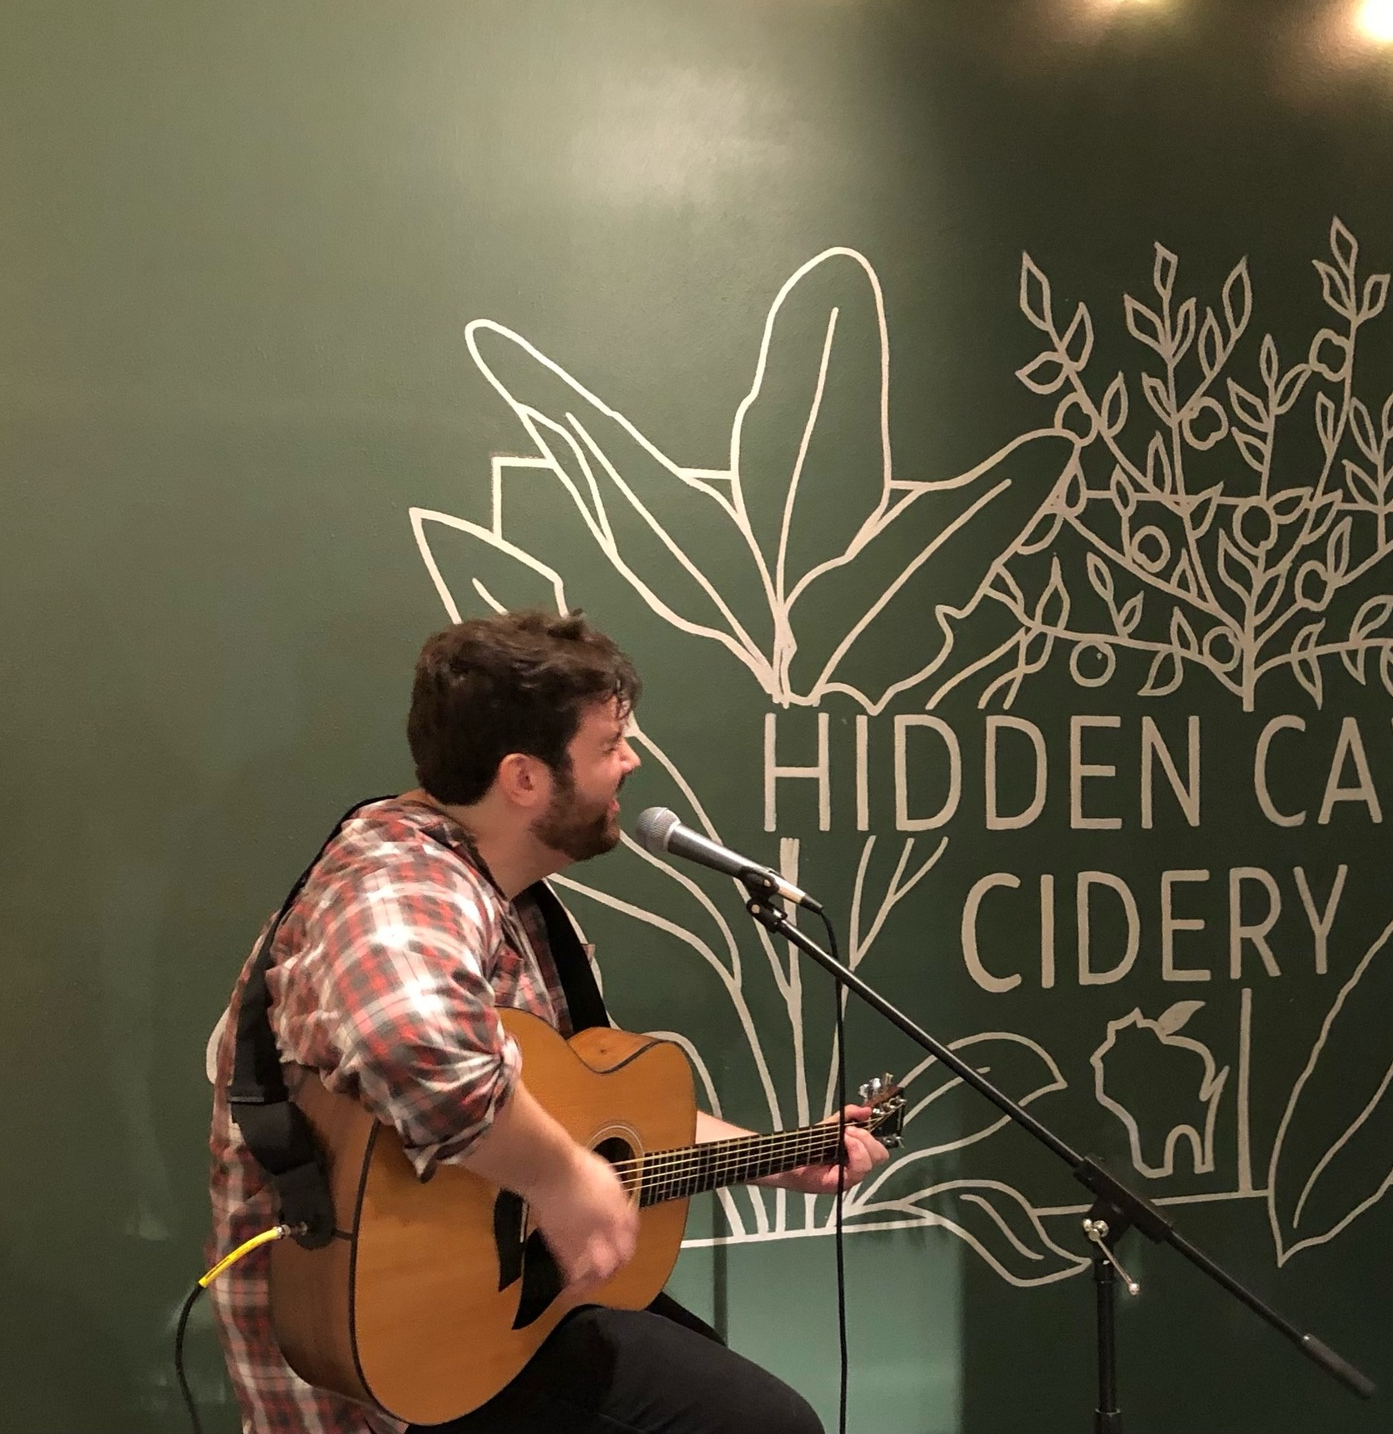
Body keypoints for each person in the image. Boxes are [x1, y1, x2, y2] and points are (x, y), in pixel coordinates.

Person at [206, 609, 889, 1434]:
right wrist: (562, 1181)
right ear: (525, 777)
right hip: (397, 1371)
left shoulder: (509, 897)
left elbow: (579, 1121)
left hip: (497, 1331)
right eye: (609, 745)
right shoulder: (401, 877)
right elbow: (408, 1039)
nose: (631, 762)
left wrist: (779, 1158)